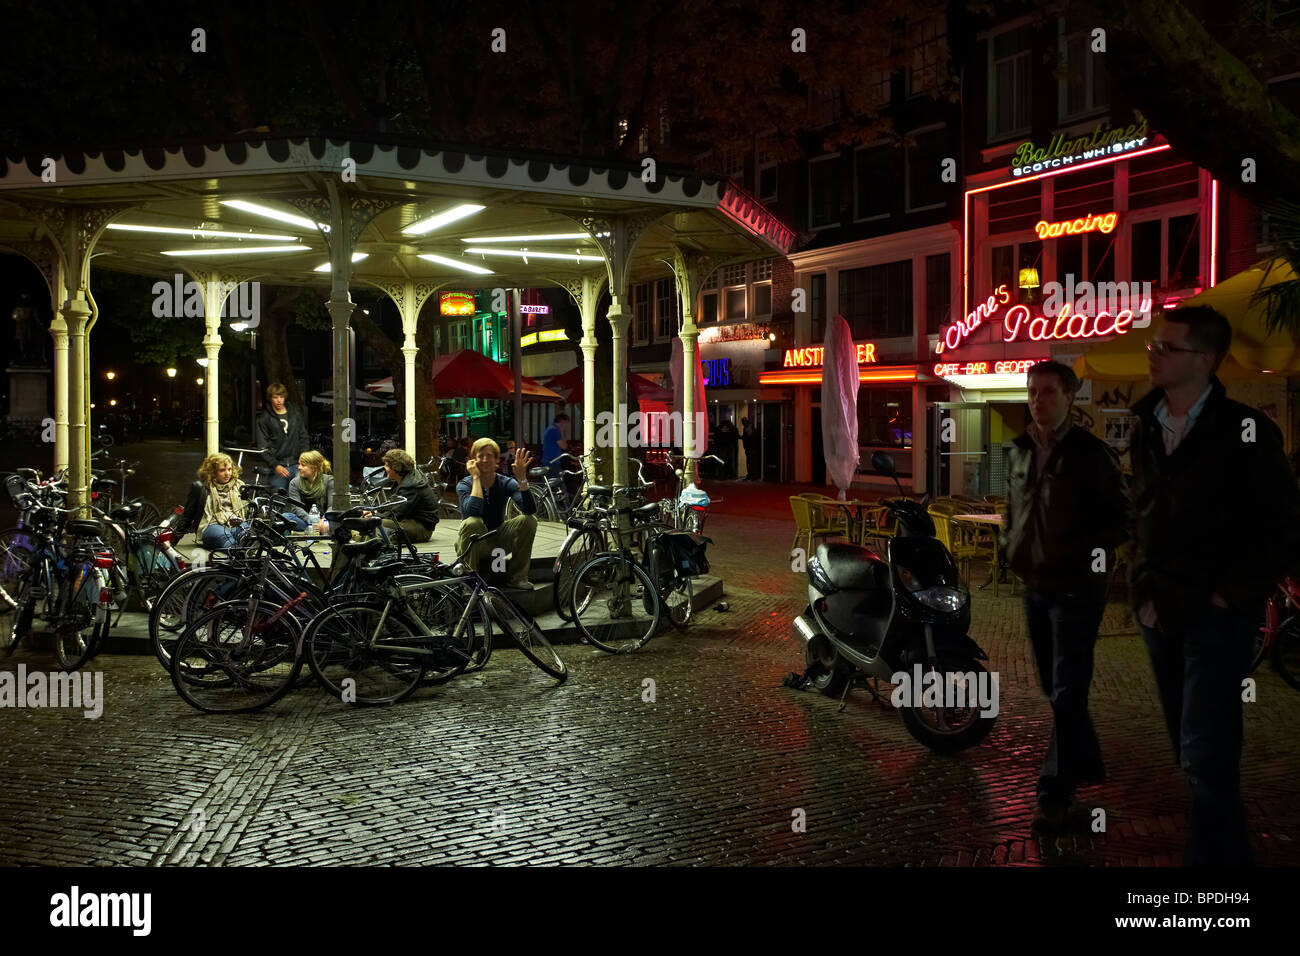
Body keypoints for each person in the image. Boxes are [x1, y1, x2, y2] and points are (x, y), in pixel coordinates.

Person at [1129, 306, 1300, 866]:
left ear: (1204, 359)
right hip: (1160, 610)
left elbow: (1281, 525)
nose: (1153, 355)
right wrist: (1143, 586)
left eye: (1166, 348)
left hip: (1215, 615)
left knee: (1208, 751)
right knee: (1190, 744)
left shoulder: (1245, 431)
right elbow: (1148, 509)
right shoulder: (1145, 423)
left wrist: (1230, 596)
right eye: (1153, 346)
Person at [1000, 361, 1130, 830]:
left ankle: (1054, 793)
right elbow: (1013, 511)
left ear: (1069, 398)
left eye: (1048, 392)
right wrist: (1008, 549)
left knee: (1067, 688)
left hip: (1076, 589)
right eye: (1032, 391)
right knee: (1055, 689)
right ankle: (1085, 763)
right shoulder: (1016, 451)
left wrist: (1084, 554)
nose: (1038, 400)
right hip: (1035, 587)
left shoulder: (1090, 455)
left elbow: (1121, 518)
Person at [456, 438, 537, 590]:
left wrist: (522, 480)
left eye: (490, 456)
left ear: (497, 461)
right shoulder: (465, 484)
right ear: (472, 461)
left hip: (497, 542)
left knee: (529, 520)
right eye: (480, 456)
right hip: (472, 546)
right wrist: (476, 478)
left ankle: (518, 578)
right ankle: (470, 580)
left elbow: (529, 509)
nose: (485, 460)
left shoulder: (505, 482)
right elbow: (473, 512)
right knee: (473, 522)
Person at [376, 449, 440, 543]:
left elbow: (397, 513)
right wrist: (376, 511)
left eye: (387, 465)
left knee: (376, 524)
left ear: (396, 468)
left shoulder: (411, 486)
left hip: (421, 528)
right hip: (411, 521)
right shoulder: (405, 480)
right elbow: (393, 503)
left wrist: (375, 516)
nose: (384, 468)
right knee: (373, 522)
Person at [256, 383, 309, 491]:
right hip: (278, 467)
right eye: (275, 397)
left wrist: (303, 459)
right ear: (270, 398)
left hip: (298, 464)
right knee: (277, 502)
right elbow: (262, 446)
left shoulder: (295, 413)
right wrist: (275, 465)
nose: (279, 400)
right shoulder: (264, 418)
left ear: (285, 397)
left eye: (281, 397)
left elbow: (303, 436)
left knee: (299, 501)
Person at [196, 452, 249, 551]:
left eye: (229, 469)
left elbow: (246, 508)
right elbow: (189, 513)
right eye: (222, 470)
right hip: (212, 524)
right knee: (226, 538)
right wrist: (177, 535)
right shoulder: (204, 487)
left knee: (246, 535)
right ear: (212, 472)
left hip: (235, 521)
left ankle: (246, 557)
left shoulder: (239, 485)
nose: (227, 473)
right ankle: (236, 553)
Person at [283, 450, 334, 533]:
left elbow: (332, 506)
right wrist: (313, 522)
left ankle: (318, 530)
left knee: (338, 520)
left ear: (314, 468)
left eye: (303, 465)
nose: (299, 467)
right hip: (306, 521)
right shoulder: (294, 483)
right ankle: (313, 530)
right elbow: (297, 508)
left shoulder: (329, 480)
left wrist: (323, 521)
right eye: (299, 464)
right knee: (286, 517)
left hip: (325, 522)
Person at [543, 414, 568, 478]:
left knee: (551, 484)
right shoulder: (555, 430)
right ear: (562, 422)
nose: (567, 426)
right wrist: (562, 431)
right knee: (559, 484)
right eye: (566, 423)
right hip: (552, 462)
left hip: (548, 461)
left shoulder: (551, 428)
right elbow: (564, 446)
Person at [715, 414, 739, 479]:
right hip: (730, 446)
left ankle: (722, 476)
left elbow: (716, 436)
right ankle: (733, 476)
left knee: (722, 462)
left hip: (722, 446)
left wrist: (718, 444)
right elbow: (736, 435)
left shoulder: (720, 427)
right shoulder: (732, 427)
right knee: (731, 462)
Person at [741, 416, 760, 481]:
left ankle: (752, 475)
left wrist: (743, 438)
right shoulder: (750, 426)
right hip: (752, 447)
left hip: (750, 448)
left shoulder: (748, 427)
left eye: (743, 422)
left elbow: (749, 437)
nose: (742, 423)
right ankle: (753, 475)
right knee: (752, 462)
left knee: (750, 462)